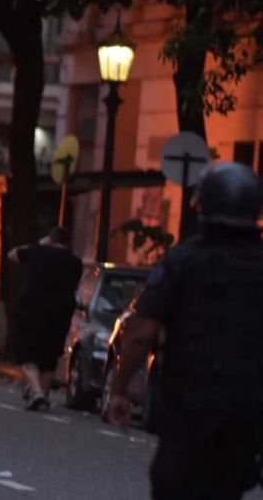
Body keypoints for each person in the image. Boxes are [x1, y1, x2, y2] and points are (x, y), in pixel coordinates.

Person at [108, 162, 263, 499]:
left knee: (174, 485)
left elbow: (140, 333)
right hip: (247, 410)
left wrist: (119, 389)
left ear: (203, 206)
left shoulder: (182, 261)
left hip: (189, 406)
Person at [7, 226, 83, 411]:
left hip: (32, 306)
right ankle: (43, 395)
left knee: (27, 350)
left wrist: (40, 243)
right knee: (50, 353)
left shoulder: (37, 252)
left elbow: (12, 255)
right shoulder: (75, 262)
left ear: (51, 239)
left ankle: (37, 392)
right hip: (61, 309)